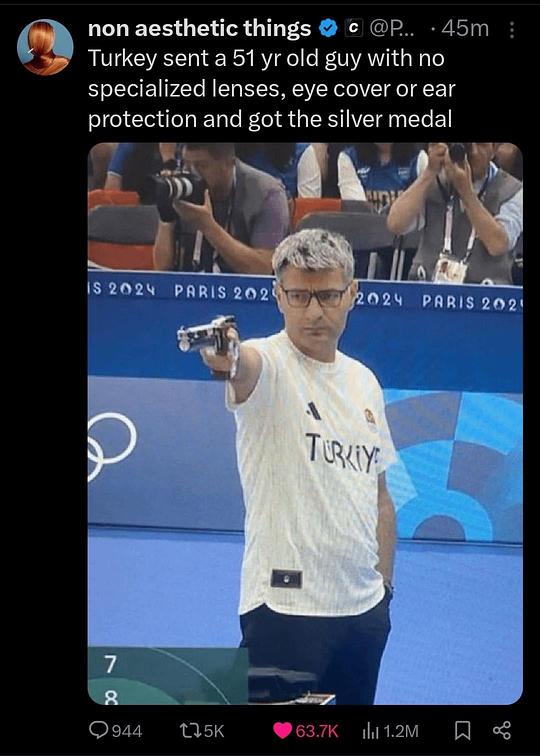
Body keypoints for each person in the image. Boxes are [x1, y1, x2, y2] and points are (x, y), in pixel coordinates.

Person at [201, 228, 397, 704]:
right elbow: (239, 365)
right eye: (299, 296)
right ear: (278, 296)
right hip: (283, 610)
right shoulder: (266, 363)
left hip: (363, 616)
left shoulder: (365, 382)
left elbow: (379, 496)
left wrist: (384, 591)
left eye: (328, 295)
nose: (313, 311)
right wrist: (226, 354)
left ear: (352, 293)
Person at [387, 142, 523, 284]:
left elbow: (498, 244)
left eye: (481, 144)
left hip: (484, 292)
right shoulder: (433, 182)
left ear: (494, 149)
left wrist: (466, 193)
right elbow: (395, 225)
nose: (474, 152)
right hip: (427, 288)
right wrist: (429, 172)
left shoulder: (513, 190)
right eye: (467, 145)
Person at [153, 143, 290, 274]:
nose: (192, 173)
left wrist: (208, 226)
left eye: (201, 165)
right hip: (189, 286)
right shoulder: (181, 189)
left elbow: (264, 268)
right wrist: (166, 218)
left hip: (241, 288)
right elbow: (162, 268)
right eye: (187, 165)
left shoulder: (267, 193)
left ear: (228, 164)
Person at [338, 143, 428, 210]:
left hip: (408, 227)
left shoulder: (419, 158)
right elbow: (357, 210)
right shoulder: (348, 158)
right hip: (366, 226)